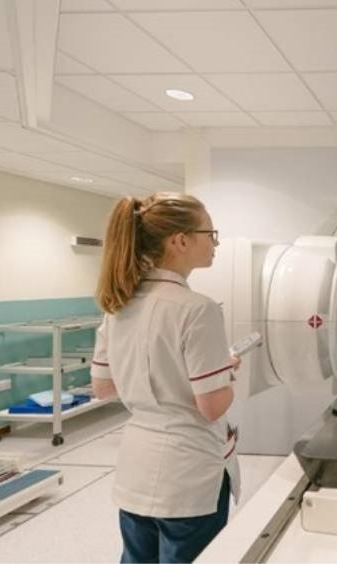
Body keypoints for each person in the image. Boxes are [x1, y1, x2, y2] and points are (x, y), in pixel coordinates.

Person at [90, 193, 240, 563]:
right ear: (180, 241)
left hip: (136, 468)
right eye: (210, 233)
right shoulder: (198, 309)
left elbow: (103, 388)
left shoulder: (118, 305)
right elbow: (211, 407)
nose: (215, 243)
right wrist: (226, 371)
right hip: (187, 474)